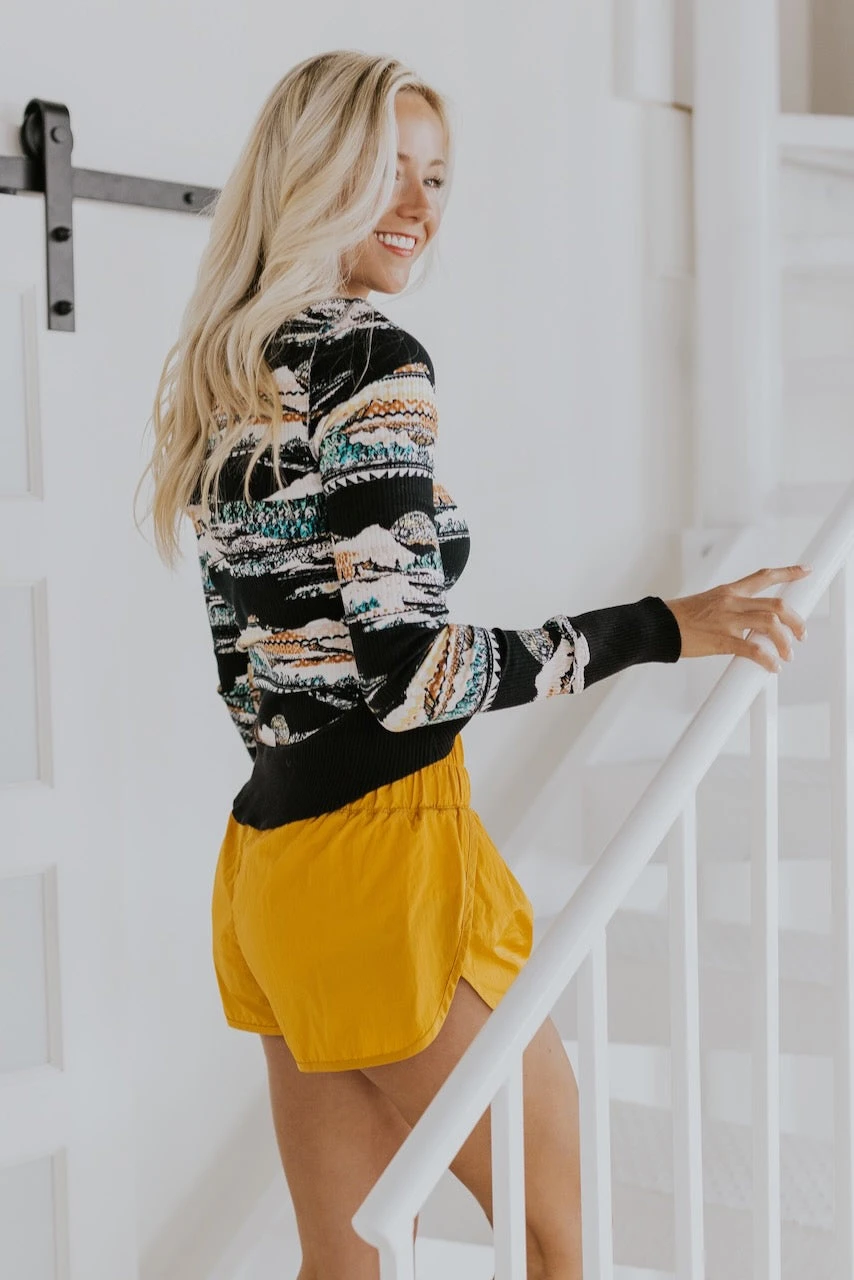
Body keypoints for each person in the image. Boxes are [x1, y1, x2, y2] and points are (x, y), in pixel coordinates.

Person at [136, 49, 810, 1280]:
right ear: (312, 173)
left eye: (435, 176)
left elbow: (262, 669)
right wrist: (659, 625)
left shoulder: (232, 364)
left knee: (342, 1265)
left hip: (273, 871)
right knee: (557, 1240)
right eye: (384, 170)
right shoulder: (369, 359)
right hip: (385, 859)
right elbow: (411, 673)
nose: (418, 205)